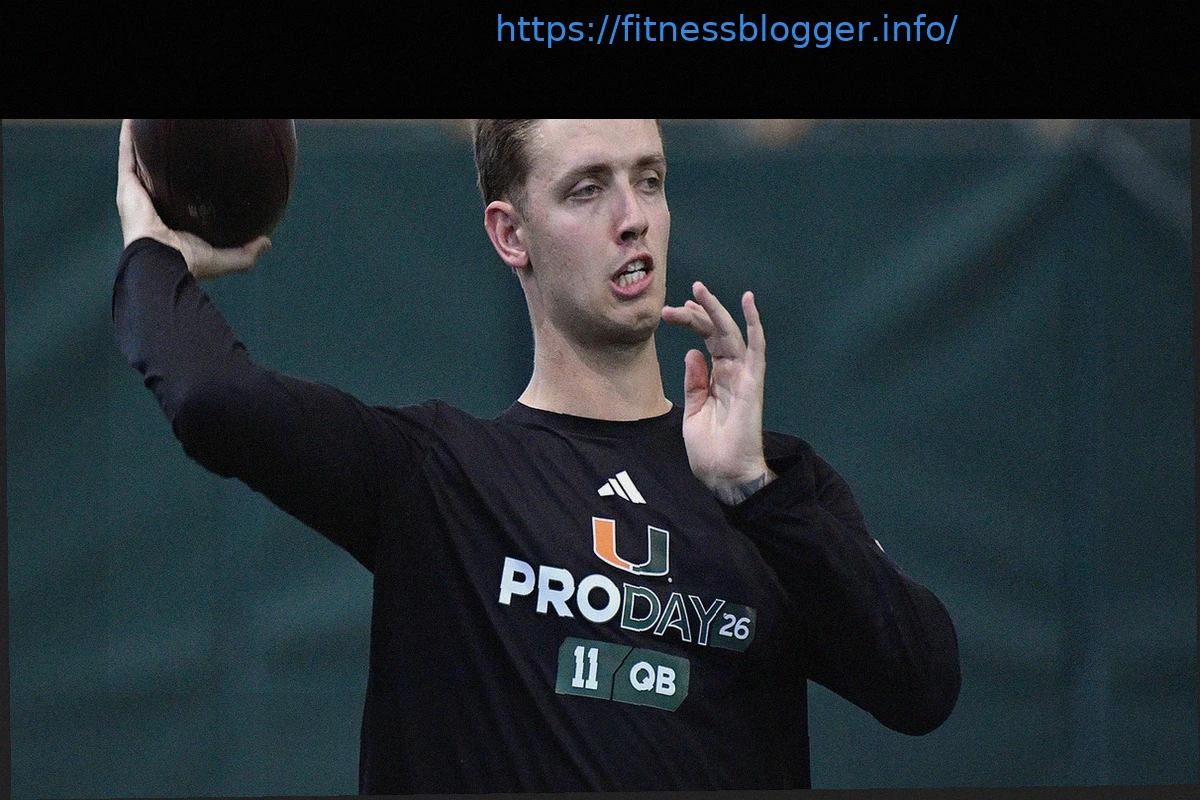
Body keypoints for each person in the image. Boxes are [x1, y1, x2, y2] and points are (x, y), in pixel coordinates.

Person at [113, 118, 961, 793]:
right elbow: (212, 398)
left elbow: (922, 686)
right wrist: (152, 253)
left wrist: (751, 489)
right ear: (510, 234)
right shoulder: (438, 479)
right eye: (587, 189)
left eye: (649, 179)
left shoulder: (774, 489)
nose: (633, 217)